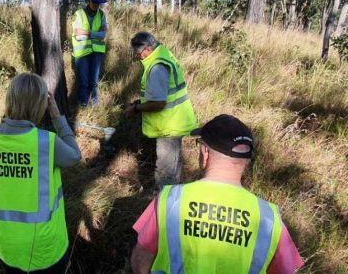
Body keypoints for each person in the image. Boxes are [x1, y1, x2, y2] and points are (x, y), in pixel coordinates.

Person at [130, 114, 304, 274]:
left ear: (205, 152)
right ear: (246, 161)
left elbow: (140, 262)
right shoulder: (269, 218)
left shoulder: (171, 199)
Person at [0, 73, 81, 273]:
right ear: (41, 105)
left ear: (10, 99)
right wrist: (58, 117)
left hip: (5, 242)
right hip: (44, 248)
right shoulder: (45, 142)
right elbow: (74, 156)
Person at [125, 32, 197, 189]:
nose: (138, 56)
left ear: (148, 49)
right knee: (173, 167)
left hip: (168, 125)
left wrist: (136, 108)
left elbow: (158, 103)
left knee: (165, 174)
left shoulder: (157, 67)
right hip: (176, 120)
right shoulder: (165, 55)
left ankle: (163, 207)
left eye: (138, 53)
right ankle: (173, 200)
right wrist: (139, 102)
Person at [71, 0, 108, 106]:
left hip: (97, 52)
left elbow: (103, 35)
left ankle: (95, 104)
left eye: (98, 3)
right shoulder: (79, 14)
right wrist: (95, 35)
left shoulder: (102, 15)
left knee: (94, 82)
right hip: (82, 52)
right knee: (84, 82)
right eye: (94, 2)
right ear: (89, 1)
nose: (96, 4)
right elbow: (78, 34)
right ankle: (83, 104)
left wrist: (87, 33)